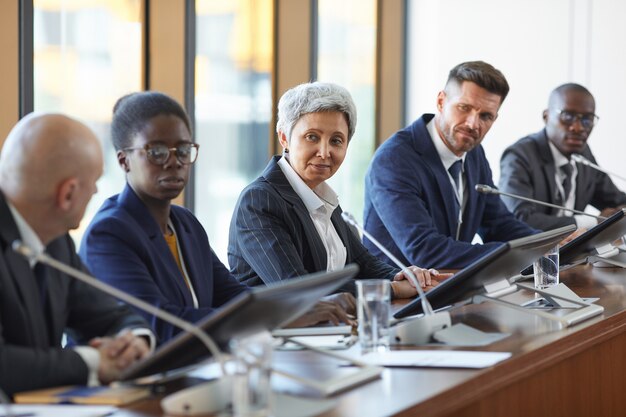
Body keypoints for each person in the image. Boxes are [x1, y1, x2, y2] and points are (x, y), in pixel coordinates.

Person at [80, 91, 352, 345]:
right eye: (157, 152)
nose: (174, 162)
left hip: (197, 372)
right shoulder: (109, 233)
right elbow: (160, 325)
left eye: (183, 150)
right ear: (124, 160)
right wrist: (281, 318)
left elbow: (233, 297)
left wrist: (297, 307)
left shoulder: (185, 224)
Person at [229, 82, 441, 298]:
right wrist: (392, 290)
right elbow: (297, 288)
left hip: (330, 326)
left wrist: (404, 276)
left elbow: (363, 263)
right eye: (312, 137)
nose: (325, 152)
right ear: (284, 137)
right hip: (278, 329)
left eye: (336, 141)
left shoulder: (324, 196)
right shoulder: (259, 200)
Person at [0, 113, 152, 396]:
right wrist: (95, 362)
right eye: (94, 184)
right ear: (68, 194)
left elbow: (110, 315)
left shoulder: (56, 242)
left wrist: (131, 342)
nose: (96, 191)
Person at [363, 61, 537, 270]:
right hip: (400, 295)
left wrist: (551, 245)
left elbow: (498, 224)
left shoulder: (474, 153)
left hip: (452, 288)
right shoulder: (393, 160)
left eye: (485, 116)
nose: (473, 124)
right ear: (440, 102)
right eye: (464, 108)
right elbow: (425, 250)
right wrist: (516, 254)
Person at [499, 83, 626, 231]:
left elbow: (617, 201)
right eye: (568, 116)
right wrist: (592, 222)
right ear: (546, 117)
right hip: (535, 253)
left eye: (587, 119)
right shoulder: (520, 155)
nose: (578, 128)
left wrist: (618, 215)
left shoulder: (583, 154)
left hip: (573, 252)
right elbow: (520, 218)